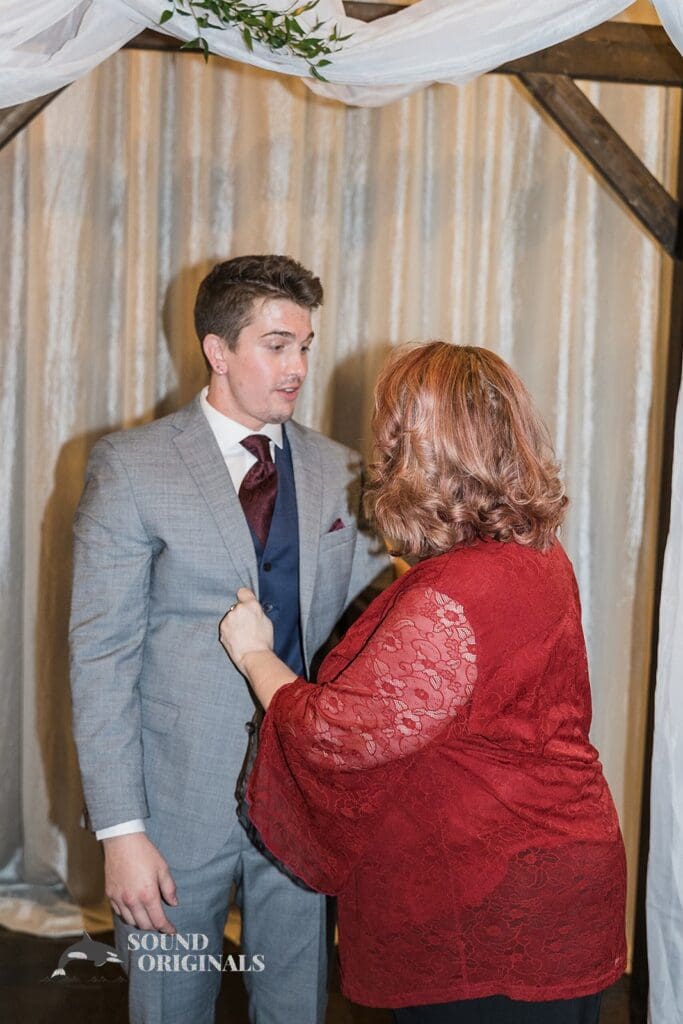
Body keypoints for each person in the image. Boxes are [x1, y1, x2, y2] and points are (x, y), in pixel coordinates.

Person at [220, 341, 627, 1024]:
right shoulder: (535, 551)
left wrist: (254, 653)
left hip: (492, 913)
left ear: (425, 450)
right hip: (558, 879)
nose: (380, 448)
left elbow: (338, 733)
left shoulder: (457, 594)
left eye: (391, 432)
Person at [69, 254, 388, 1024]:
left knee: (297, 1007)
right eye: (276, 346)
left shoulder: (340, 469)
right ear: (217, 350)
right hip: (174, 808)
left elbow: (381, 615)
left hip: (302, 799)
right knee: (170, 1004)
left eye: (304, 346)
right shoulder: (132, 466)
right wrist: (121, 833)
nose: (298, 366)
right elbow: (101, 659)